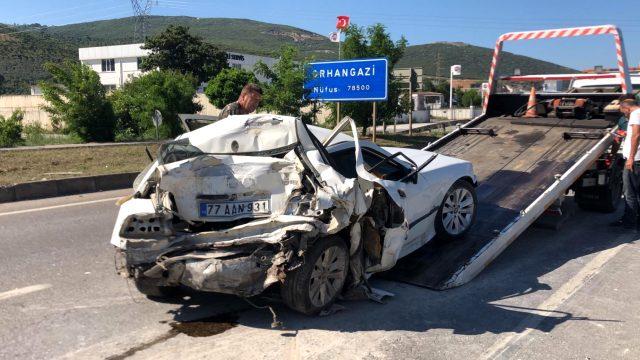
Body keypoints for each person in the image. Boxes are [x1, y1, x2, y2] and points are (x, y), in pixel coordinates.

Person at [611, 98, 640, 229]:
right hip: (636, 159)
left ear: (627, 108)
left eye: (623, 111)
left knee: (630, 192)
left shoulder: (635, 114)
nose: (623, 114)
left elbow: (636, 136)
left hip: (635, 160)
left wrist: (630, 158)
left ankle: (629, 222)